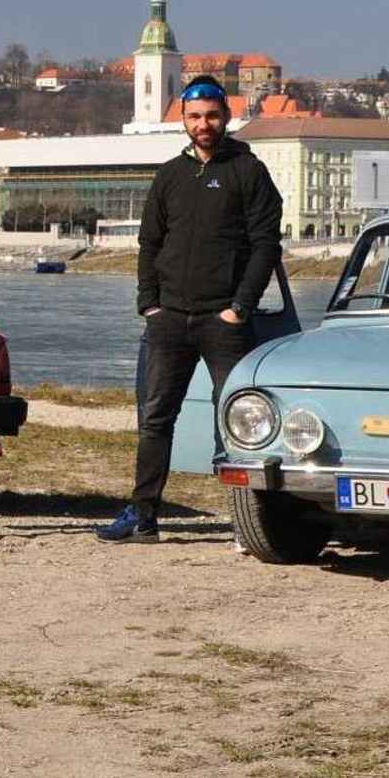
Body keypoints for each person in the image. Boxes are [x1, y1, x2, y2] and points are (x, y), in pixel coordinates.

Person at [98, 75, 283, 544]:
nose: (203, 125)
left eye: (212, 116)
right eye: (195, 117)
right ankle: (143, 516)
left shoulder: (248, 172)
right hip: (168, 319)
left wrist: (240, 307)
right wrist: (148, 304)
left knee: (239, 421)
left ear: (226, 116)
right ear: (183, 118)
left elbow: (265, 246)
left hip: (224, 321)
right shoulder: (169, 175)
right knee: (155, 418)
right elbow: (149, 243)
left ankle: (249, 523)